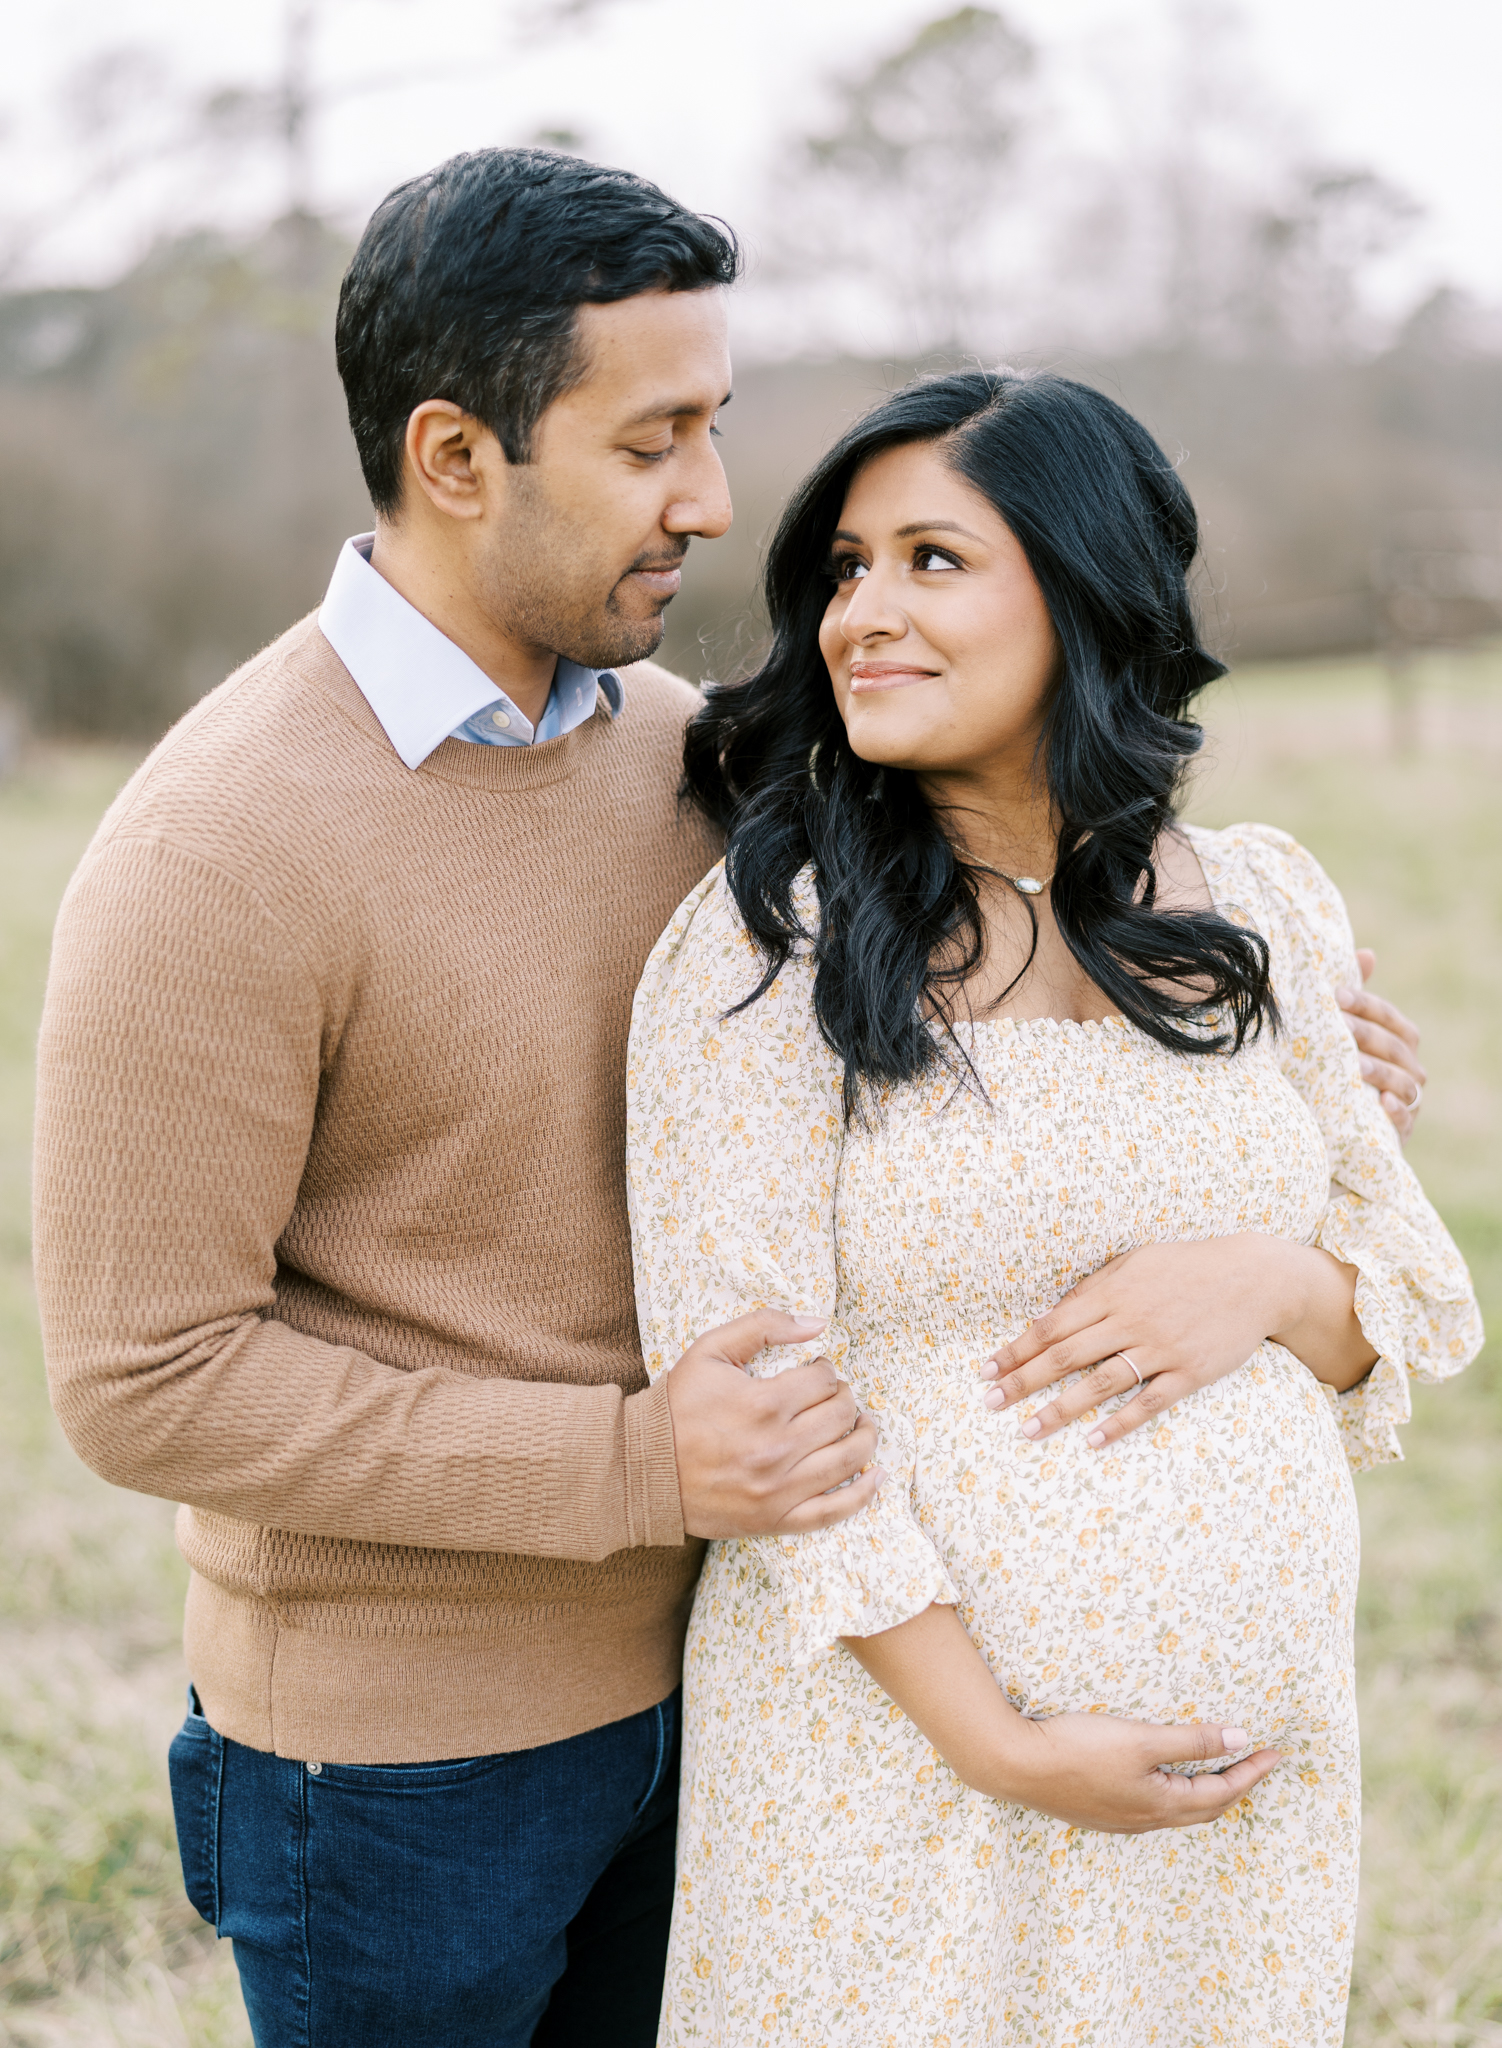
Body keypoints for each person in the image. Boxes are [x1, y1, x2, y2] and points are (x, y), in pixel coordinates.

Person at [30, 147, 1426, 2046]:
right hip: (404, 1768)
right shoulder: (218, 848)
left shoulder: (708, 767)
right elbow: (143, 1378)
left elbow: (980, 945)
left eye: (717, 427)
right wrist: (640, 1467)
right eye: (652, 440)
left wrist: (1268, 1095)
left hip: (731, 1683)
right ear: (458, 457)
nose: (710, 498)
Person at [625, 368, 1482, 2045]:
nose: (863, 613)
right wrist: (999, 1740)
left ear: (1086, 592)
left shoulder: (1256, 900)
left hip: (1240, 1792)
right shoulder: (768, 948)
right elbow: (753, 1400)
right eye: (846, 569)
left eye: (932, 560)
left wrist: (1259, 1281)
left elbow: (1403, 1289)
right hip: (896, 1763)